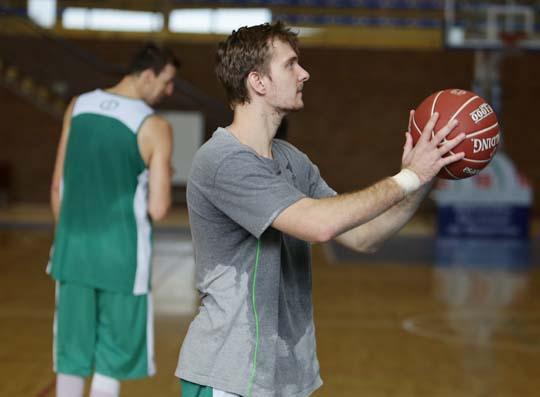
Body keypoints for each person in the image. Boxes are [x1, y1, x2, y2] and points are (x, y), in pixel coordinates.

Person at [175, 21, 464, 397]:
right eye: (291, 64)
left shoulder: (293, 160)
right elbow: (317, 225)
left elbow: (362, 237)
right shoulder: (223, 160)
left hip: (287, 374)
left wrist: (419, 183)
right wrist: (408, 176)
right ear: (258, 82)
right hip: (230, 373)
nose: (304, 73)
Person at [48, 43, 179, 397]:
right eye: (167, 82)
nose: (168, 91)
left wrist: (70, 241)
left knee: (71, 357)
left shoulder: (78, 105)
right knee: (111, 358)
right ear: (148, 74)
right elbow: (159, 208)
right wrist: (163, 172)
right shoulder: (156, 126)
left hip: (71, 253)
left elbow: (58, 186)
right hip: (122, 259)